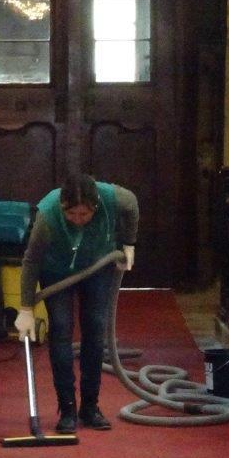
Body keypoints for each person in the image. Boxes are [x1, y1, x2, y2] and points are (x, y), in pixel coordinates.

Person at [14, 172, 139, 432]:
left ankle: (90, 406)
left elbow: (132, 206)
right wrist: (25, 309)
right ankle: (67, 409)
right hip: (56, 272)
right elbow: (31, 260)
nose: (78, 220)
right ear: (62, 206)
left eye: (85, 214)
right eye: (72, 214)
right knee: (61, 329)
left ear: (96, 206)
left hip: (97, 266)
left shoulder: (114, 198)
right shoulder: (48, 215)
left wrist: (129, 243)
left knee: (95, 327)